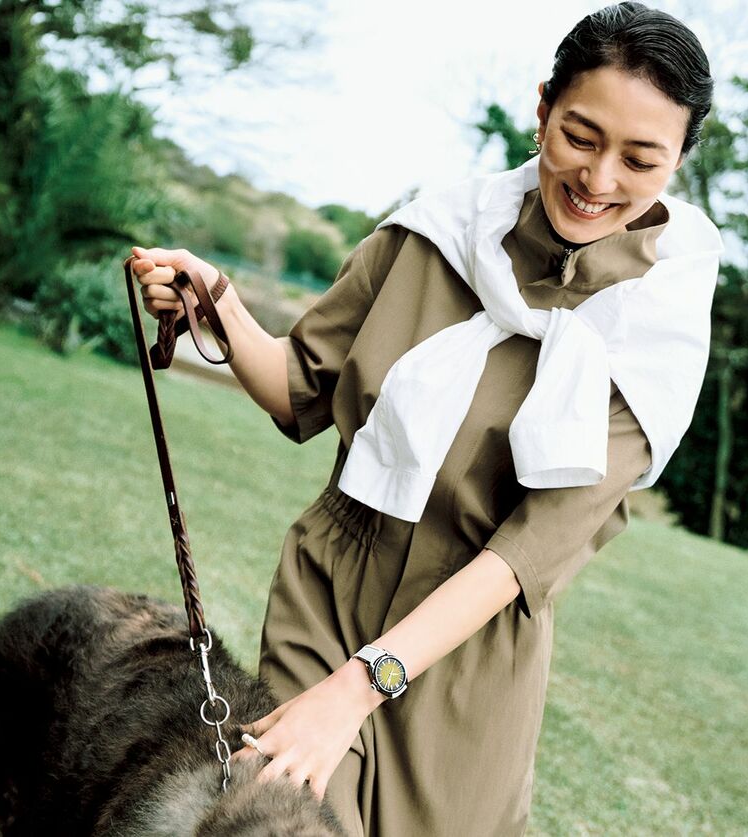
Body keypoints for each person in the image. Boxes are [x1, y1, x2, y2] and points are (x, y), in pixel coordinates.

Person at [130, 3, 718, 834]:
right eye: (582, 136)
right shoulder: (434, 231)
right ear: (544, 105)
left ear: (678, 163)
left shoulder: (657, 325)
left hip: (469, 659)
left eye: (641, 159)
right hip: (327, 600)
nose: (599, 179)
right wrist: (215, 301)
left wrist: (356, 692)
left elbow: (528, 552)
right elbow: (301, 384)